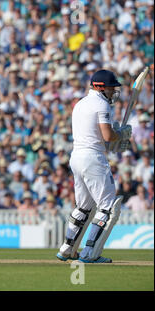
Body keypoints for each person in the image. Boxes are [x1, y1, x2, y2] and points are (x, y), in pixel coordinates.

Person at [57, 69, 132, 263]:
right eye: (111, 88)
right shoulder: (101, 105)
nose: (113, 92)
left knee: (83, 207)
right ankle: (90, 253)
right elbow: (107, 136)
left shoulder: (80, 104)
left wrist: (114, 136)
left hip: (76, 157)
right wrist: (121, 134)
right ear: (101, 87)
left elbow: (98, 134)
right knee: (107, 207)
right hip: (93, 158)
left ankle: (67, 248)